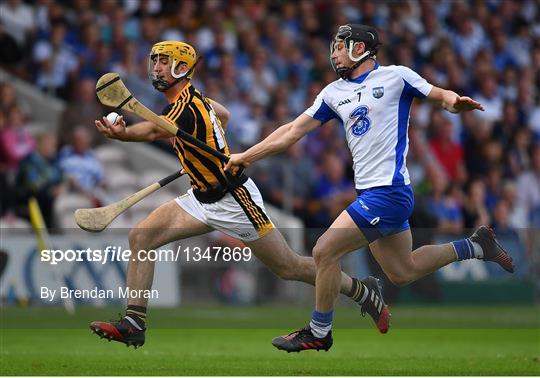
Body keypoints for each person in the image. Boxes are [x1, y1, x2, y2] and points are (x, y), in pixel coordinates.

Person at [225, 24, 515, 353]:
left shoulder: (396, 76)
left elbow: (439, 94)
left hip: (389, 192)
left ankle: (320, 330)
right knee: (402, 271)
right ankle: (476, 246)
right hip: (370, 195)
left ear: (360, 48)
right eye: (332, 46)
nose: (333, 53)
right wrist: (246, 156)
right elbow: (291, 131)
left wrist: (453, 102)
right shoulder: (333, 92)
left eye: (339, 46)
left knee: (323, 251)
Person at [89, 41, 386, 349]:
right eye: (155, 61)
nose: (156, 67)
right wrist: (202, 157)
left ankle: (362, 291)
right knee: (141, 236)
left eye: (164, 62)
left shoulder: (185, 107)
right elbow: (224, 114)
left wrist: (124, 134)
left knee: (289, 267)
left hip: (234, 200)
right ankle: (134, 323)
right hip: (200, 197)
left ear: (181, 68)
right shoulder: (194, 99)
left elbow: (154, 131)